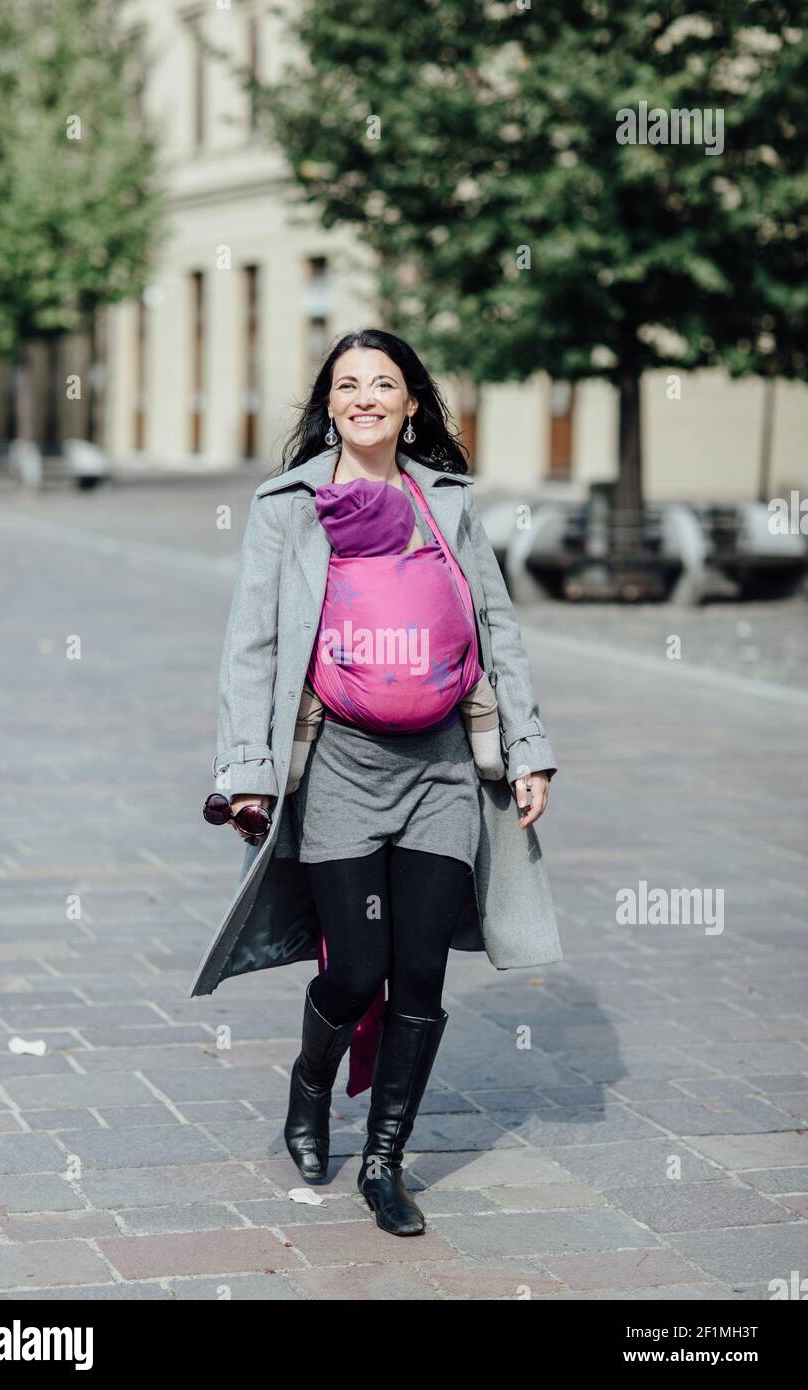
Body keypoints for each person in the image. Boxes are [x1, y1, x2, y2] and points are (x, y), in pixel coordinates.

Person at [213, 327, 557, 1237]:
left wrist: (526, 748)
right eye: (348, 384)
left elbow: (496, 625)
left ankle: (385, 1160)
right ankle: (310, 1085)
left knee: (419, 973)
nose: (366, 397)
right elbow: (253, 644)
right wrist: (247, 771)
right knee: (358, 967)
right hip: (340, 768)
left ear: (412, 404)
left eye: (385, 384)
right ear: (328, 403)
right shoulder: (289, 502)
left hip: (444, 765)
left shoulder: (446, 499)